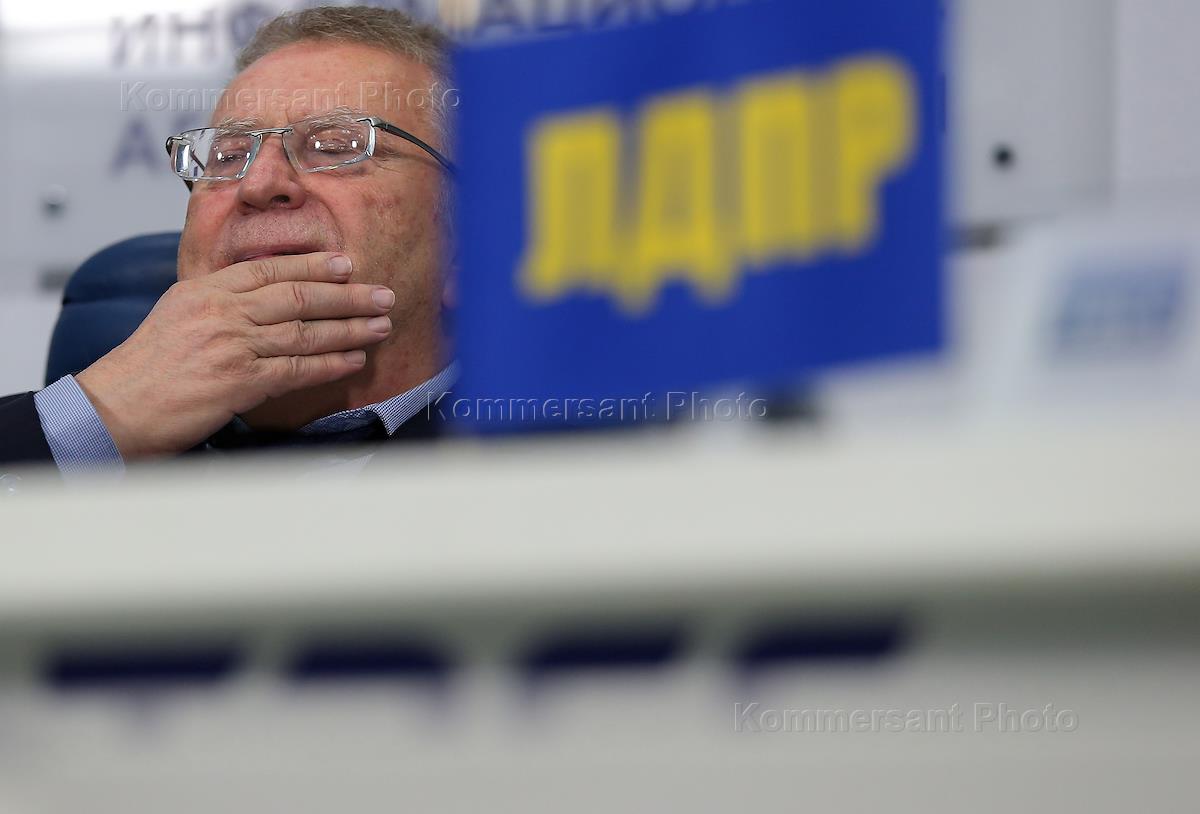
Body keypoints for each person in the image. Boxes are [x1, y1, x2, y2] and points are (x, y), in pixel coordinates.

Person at [0, 6, 458, 479]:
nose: (257, 184)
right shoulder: (76, 450)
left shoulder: (509, 456)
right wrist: (99, 416)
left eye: (336, 146)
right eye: (229, 156)